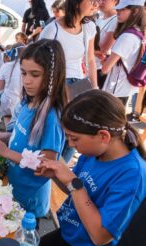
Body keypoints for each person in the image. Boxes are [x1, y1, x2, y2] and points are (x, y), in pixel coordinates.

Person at [37, 90, 146, 246]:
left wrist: (73, 182)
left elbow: (100, 235)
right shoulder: (93, 154)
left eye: (74, 139)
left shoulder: (133, 174)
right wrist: (56, 176)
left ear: (104, 136)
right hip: (69, 236)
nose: (71, 145)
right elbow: (76, 191)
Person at [0, 39, 67, 218]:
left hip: (29, 198)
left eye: (35, 74)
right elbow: (23, 135)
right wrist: (4, 135)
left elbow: (46, 164)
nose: (27, 81)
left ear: (53, 75)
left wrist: (6, 152)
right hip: (15, 187)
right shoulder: (28, 102)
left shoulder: (51, 117)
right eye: (23, 73)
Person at [40, 0, 99, 163]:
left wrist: (95, 88)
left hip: (80, 85)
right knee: (56, 133)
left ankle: (59, 171)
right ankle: (50, 168)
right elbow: (39, 60)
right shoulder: (52, 29)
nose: (96, 4)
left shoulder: (89, 27)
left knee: (76, 134)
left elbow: (91, 60)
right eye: (92, 1)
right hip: (59, 86)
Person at [101, 0, 145, 108]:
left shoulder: (127, 36)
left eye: (123, 10)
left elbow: (105, 68)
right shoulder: (140, 32)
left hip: (115, 90)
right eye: (118, 9)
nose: (118, 12)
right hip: (126, 87)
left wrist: (101, 58)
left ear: (135, 11)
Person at [95, 0, 118, 89]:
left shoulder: (116, 20)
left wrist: (88, 49)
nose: (100, 2)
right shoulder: (98, 18)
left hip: (102, 70)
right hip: (90, 67)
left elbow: (103, 49)